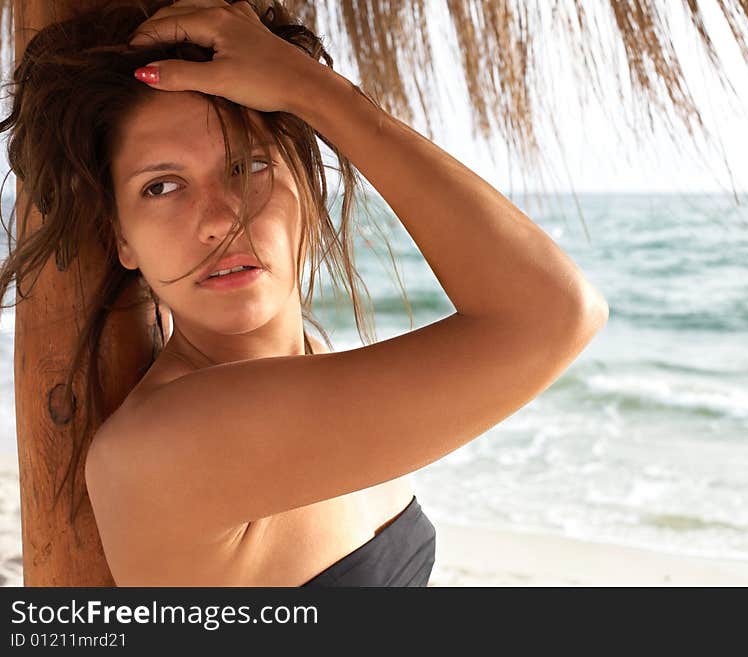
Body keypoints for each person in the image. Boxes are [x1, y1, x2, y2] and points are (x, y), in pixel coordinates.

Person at [1, 0, 609, 586]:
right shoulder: (167, 446)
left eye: (248, 167)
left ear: (309, 190)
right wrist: (315, 91)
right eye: (161, 187)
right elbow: (555, 313)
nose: (218, 218)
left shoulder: (314, 365)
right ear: (121, 239)